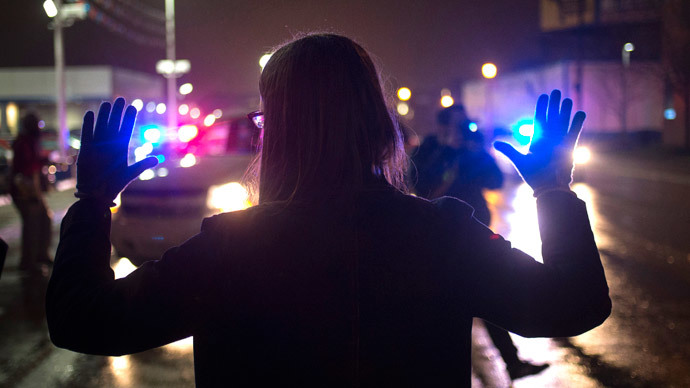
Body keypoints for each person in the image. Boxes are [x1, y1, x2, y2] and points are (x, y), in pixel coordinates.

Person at [46, 34, 610, 387]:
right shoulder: (442, 234)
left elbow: (83, 321)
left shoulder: (231, 249)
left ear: (281, 131)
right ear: (376, 124)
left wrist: (93, 201)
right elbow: (573, 305)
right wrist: (554, 192)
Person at [412, 106, 549, 380]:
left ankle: (512, 362)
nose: (461, 129)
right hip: (438, 238)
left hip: (474, 233)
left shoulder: (471, 150)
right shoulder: (429, 150)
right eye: (457, 124)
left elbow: (496, 182)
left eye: (464, 124)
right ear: (442, 126)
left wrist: (477, 152)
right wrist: (450, 155)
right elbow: (421, 188)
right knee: (452, 306)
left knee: (487, 291)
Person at [10, 113, 52, 274]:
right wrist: (42, 161)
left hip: (30, 190)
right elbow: (26, 166)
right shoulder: (24, 143)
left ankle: (39, 255)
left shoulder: (29, 141)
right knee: (32, 226)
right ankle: (29, 261)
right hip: (25, 191)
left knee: (43, 220)